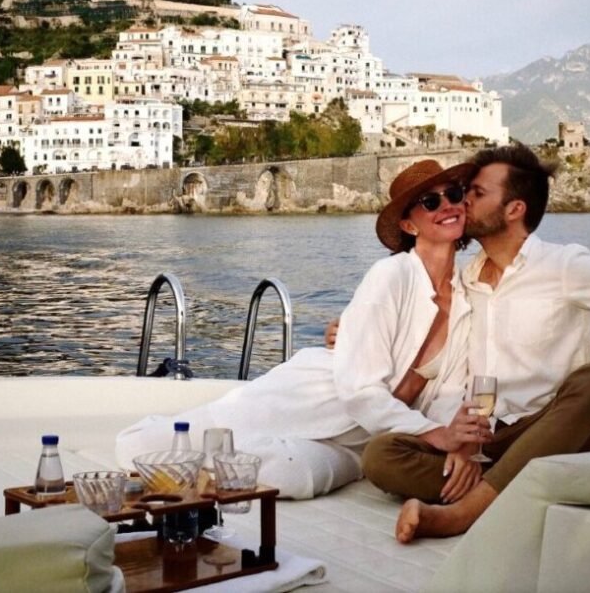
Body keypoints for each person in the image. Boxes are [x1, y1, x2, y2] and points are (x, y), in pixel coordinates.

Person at [353, 144, 590, 542]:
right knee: (380, 455)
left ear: (514, 209)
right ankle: (507, 490)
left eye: (475, 194)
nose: (463, 202)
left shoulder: (565, 266)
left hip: (543, 433)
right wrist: (463, 445)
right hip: (487, 439)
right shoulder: (466, 278)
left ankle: (461, 514)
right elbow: (455, 358)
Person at [115, 159, 490, 500]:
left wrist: (455, 440)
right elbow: (359, 389)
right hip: (315, 394)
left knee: (293, 476)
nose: (447, 206)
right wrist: (432, 433)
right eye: (430, 202)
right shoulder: (391, 276)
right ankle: (212, 453)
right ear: (409, 224)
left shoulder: (466, 296)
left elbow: (452, 391)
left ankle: (214, 466)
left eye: (454, 195)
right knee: (139, 444)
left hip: (364, 437)